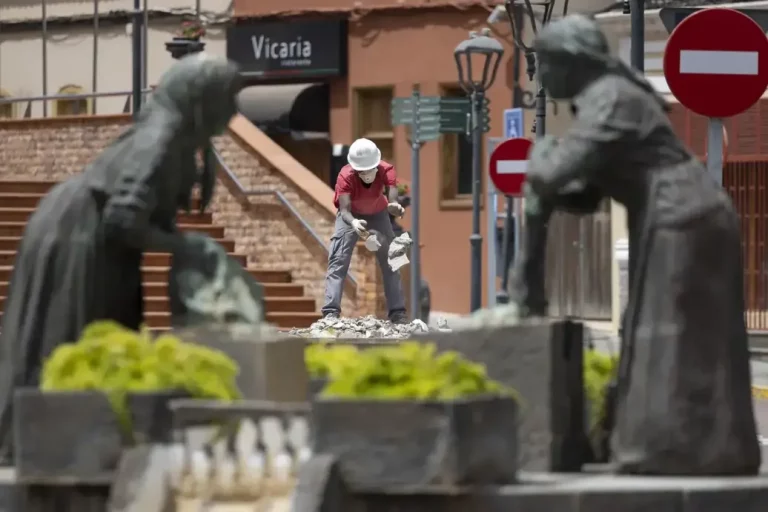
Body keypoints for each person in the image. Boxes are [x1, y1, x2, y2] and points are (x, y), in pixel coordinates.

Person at [517, 15, 759, 475]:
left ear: (571, 63)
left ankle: (678, 449)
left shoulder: (610, 100)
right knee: (658, 331)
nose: (541, 77)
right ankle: (673, 446)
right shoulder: (604, 100)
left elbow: (553, 173)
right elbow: (585, 194)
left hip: (684, 217)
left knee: (671, 334)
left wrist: (542, 160)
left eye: (543, 64)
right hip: (675, 216)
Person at [0, 53, 241, 462]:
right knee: (69, 334)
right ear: (203, 99)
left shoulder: (174, 135)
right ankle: (49, 443)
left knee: (93, 332)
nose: (233, 112)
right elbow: (122, 218)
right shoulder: (160, 139)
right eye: (225, 100)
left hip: (91, 238)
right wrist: (182, 246)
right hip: (79, 236)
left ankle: (80, 440)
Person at [322, 138, 407, 323]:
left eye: (370, 169)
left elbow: (392, 196)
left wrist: (394, 206)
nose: (366, 174)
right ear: (354, 168)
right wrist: (353, 223)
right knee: (338, 261)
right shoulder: (345, 176)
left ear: (377, 164)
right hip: (350, 216)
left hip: (379, 213)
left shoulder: (386, 170)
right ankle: (330, 312)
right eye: (362, 171)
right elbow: (344, 209)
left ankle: (398, 312)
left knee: (393, 259)